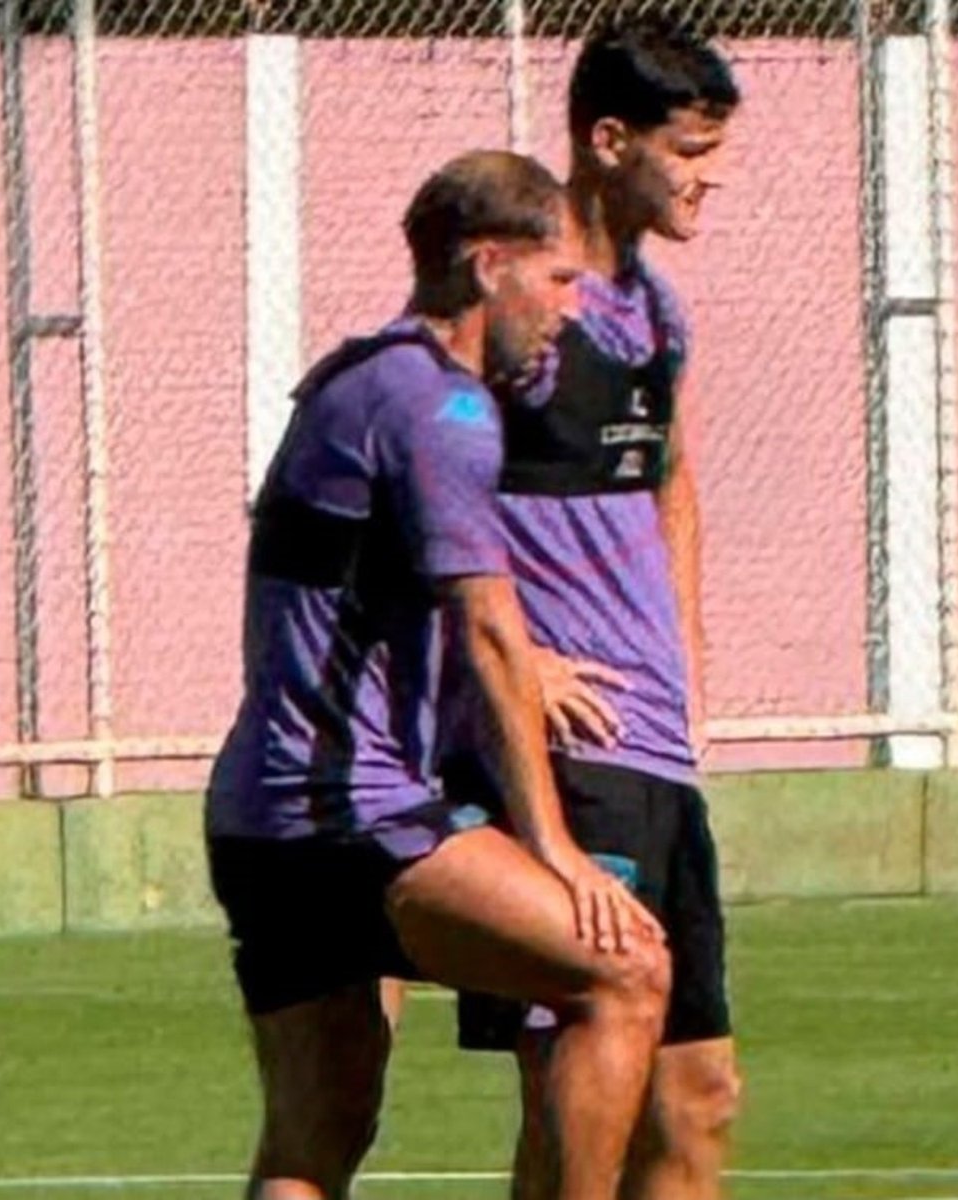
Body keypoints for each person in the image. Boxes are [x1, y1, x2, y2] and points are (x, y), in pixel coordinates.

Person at [204, 149, 671, 1200]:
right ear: (488, 264)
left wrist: (520, 658)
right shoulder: (444, 409)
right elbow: (486, 624)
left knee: (312, 1143)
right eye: (556, 278)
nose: (569, 310)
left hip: (259, 821)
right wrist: (553, 848)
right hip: (353, 814)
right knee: (626, 970)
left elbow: (355, 590)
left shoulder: (355, 380)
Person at [443, 20, 744, 1200]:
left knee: (695, 1097)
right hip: (565, 755)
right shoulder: (519, 304)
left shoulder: (657, 312)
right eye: (688, 151)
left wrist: (687, 664)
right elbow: (416, 485)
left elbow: (672, 481)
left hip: (653, 746)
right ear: (608, 141)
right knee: (577, 1093)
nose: (708, 177)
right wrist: (518, 663)